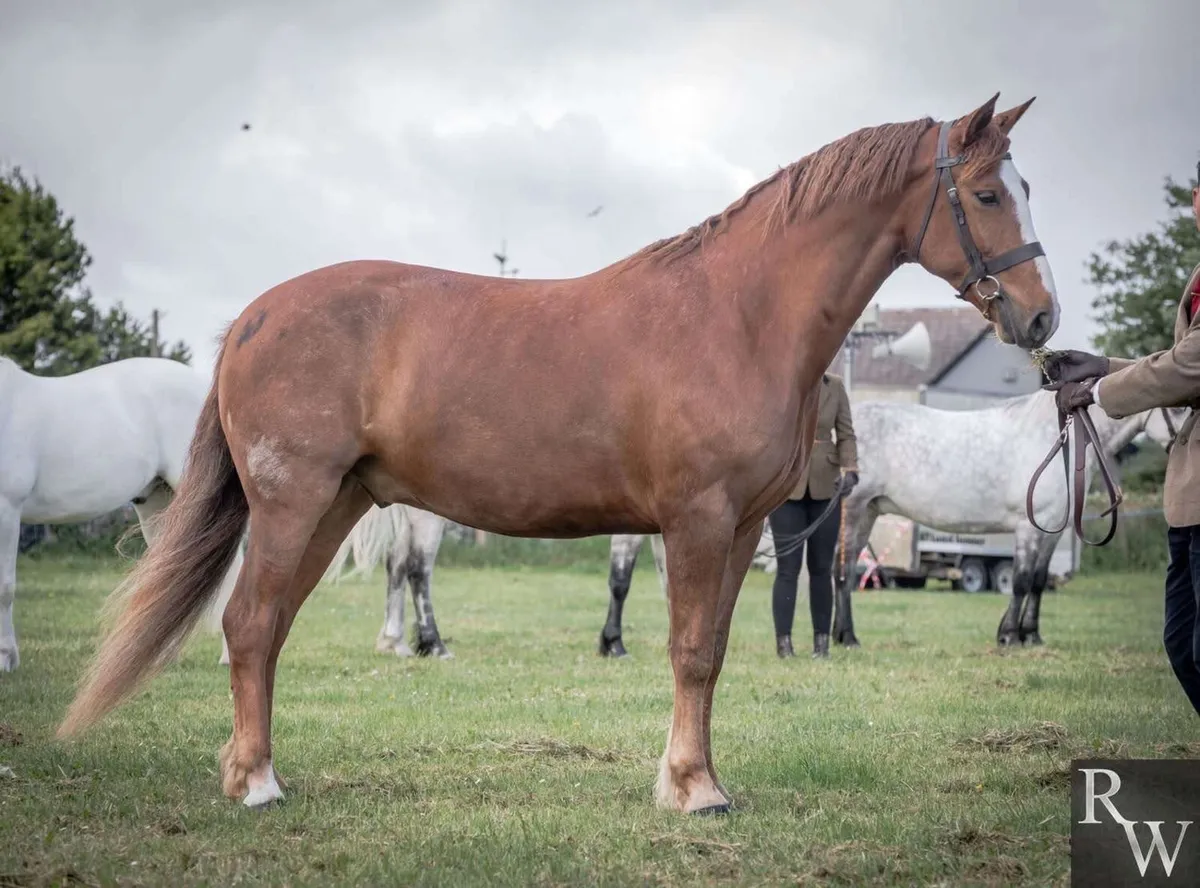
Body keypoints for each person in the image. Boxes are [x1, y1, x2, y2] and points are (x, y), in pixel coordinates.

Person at [1044, 163, 1200, 714]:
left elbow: (1189, 366)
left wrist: (1098, 389)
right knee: (1183, 646)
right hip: (1189, 502)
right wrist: (1102, 366)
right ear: (1196, 200)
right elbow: (1182, 368)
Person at [770, 372, 859, 660]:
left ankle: (821, 643)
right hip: (786, 485)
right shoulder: (784, 380)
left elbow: (846, 434)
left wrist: (851, 469)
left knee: (821, 569)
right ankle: (784, 643)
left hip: (826, 487)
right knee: (788, 569)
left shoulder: (835, 387)